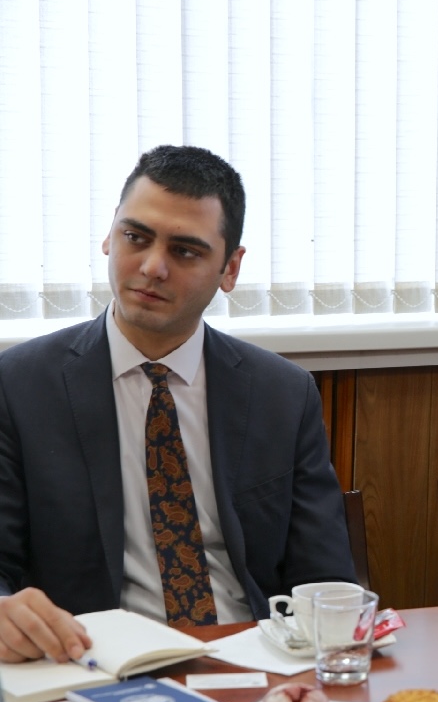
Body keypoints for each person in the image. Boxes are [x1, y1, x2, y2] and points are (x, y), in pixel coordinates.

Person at [0, 145, 355, 663]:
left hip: (252, 659)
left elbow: (324, 577)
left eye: (185, 251)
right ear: (109, 234)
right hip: (92, 663)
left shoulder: (282, 393)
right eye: (135, 237)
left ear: (230, 269)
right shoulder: (19, 385)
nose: (152, 267)